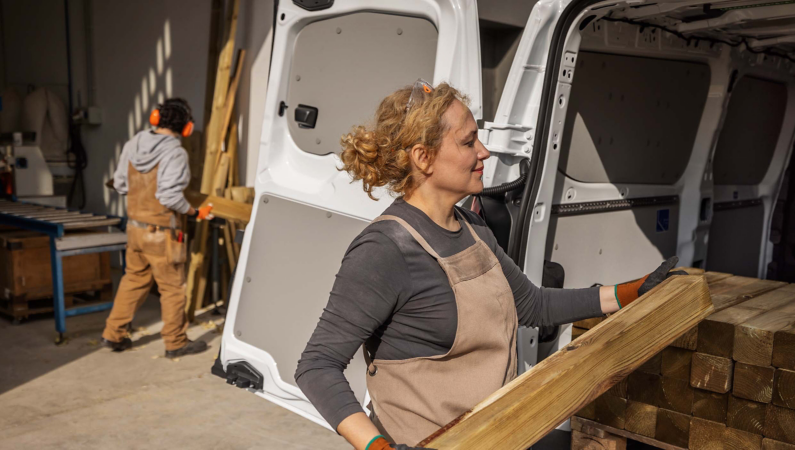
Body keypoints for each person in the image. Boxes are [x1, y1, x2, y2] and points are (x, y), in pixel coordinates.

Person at [294, 80, 683, 450]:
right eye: (468, 142)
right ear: (423, 157)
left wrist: (633, 291)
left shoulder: (473, 227)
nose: (484, 152)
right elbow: (317, 366)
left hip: (498, 434)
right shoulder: (385, 249)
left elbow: (533, 304)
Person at [101, 98, 213, 359]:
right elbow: (169, 197)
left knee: (132, 281)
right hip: (162, 234)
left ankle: (113, 334)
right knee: (173, 288)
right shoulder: (175, 153)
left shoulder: (133, 143)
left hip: (135, 229)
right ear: (186, 128)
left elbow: (120, 184)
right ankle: (175, 342)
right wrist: (195, 212)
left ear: (155, 118)